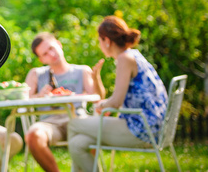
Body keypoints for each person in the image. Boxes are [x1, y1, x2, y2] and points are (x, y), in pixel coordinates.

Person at [67, 16, 168, 172]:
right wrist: (105, 102)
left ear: (106, 40)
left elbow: (116, 102)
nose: (100, 45)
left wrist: (102, 105)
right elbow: (119, 100)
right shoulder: (133, 55)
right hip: (151, 125)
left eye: (100, 41)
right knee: (76, 144)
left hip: (142, 129)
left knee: (73, 123)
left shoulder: (124, 59)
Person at [24, 32, 105, 172]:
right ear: (41, 59)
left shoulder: (82, 71)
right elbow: (23, 101)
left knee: (90, 133)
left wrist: (96, 78)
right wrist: (39, 95)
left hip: (77, 119)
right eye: (45, 54)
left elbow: (98, 98)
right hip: (50, 122)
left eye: (51, 48)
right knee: (32, 136)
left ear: (59, 44)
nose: (51, 54)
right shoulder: (36, 74)